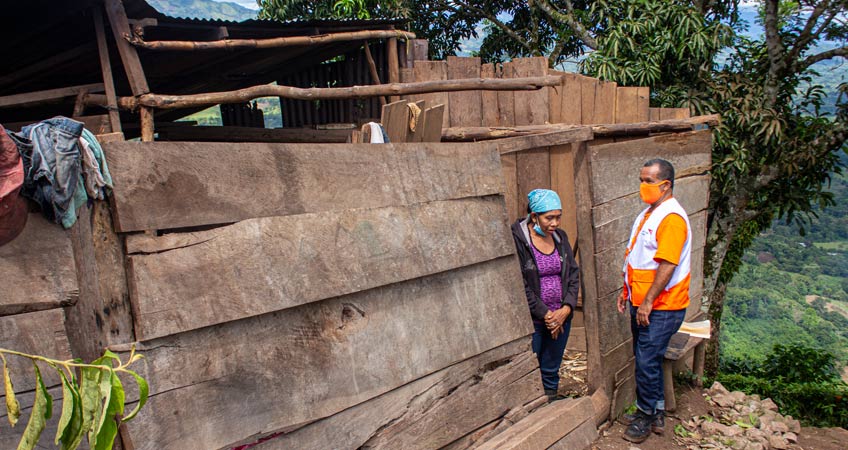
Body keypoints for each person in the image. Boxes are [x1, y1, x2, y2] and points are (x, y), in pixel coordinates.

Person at [617, 159, 692, 443]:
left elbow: (667, 265)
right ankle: (657, 410)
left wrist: (647, 302)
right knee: (649, 358)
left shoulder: (671, 218)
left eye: (648, 181)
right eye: (642, 179)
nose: (643, 186)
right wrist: (626, 291)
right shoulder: (650, 213)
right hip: (644, 302)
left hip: (662, 306)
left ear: (666, 185)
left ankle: (645, 417)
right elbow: (637, 258)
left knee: (646, 360)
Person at [511, 189, 580, 402]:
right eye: (549, 218)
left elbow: (573, 274)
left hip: (560, 317)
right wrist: (547, 315)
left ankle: (550, 405)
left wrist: (565, 310)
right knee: (529, 369)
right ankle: (531, 412)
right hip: (533, 320)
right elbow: (519, 283)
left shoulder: (560, 238)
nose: (555, 223)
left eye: (558, 217)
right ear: (534, 216)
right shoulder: (519, 241)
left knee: (551, 368)